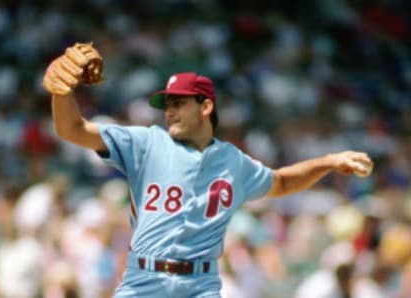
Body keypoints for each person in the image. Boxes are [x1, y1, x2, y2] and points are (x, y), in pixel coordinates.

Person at [42, 43, 373, 298]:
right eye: (167, 105)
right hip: (144, 280)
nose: (169, 112)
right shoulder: (144, 143)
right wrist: (62, 91)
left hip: (200, 284)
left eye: (178, 103)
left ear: (206, 106)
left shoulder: (233, 161)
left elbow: (282, 182)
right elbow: (71, 129)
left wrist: (328, 161)